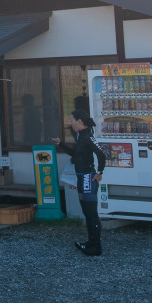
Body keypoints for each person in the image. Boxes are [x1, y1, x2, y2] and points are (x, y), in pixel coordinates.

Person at [53, 109, 106, 256]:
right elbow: (76, 155)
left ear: (79, 121)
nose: (71, 123)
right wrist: (61, 144)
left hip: (88, 177)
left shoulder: (87, 136)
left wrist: (99, 173)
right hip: (82, 178)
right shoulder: (81, 135)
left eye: (72, 120)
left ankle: (96, 247)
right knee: (87, 212)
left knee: (91, 213)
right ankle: (90, 242)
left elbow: (101, 155)